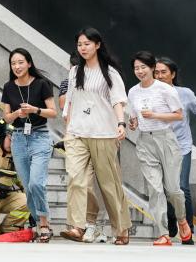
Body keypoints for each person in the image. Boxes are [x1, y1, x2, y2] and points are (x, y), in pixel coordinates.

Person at [60, 27, 131, 245]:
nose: (83, 48)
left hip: (103, 133)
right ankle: (77, 226)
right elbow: (70, 100)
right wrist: (69, 126)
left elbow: (118, 100)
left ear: (98, 45)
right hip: (77, 133)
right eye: (80, 44)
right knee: (76, 177)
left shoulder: (110, 72)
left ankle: (121, 228)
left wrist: (121, 123)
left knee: (109, 184)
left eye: (87, 44)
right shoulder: (74, 72)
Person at [127, 51, 192, 245]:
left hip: (166, 139)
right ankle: (163, 232)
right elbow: (134, 117)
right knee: (155, 189)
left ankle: (182, 220)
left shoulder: (165, 89)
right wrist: (133, 123)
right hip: (145, 142)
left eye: (143, 67)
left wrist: (155, 115)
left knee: (173, 189)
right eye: (136, 68)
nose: (139, 71)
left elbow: (179, 115)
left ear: (152, 68)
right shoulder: (133, 92)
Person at [155, 57, 196, 240]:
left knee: (182, 187)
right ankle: (172, 220)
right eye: (156, 72)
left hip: (181, 146)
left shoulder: (185, 93)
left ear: (173, 74)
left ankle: (188, 229)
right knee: (165, 189)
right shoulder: (149, 94)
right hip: (159, 147)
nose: (159, 76)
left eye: (163, 72)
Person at [1, 48, 57, 242]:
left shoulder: (42, 84)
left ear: (29, 63)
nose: (17, 66)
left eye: (20, 62)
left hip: (40, 137)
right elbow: (6, 116)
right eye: (13, 63)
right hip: (18, 138)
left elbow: (53, 112)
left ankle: (44, 224)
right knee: (27, 186)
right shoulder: (8, 87)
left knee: (36, 183)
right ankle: (36, 223)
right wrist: (17, 114)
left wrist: (35, 110)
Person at [58, 52, 107, 244]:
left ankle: (93, 222)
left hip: (97, 137)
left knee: (89, 183)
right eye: (73, 67)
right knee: (76, 180)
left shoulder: (100, 82)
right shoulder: (67, 83)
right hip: (76, 137)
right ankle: (78, 226)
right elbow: (65, 108)